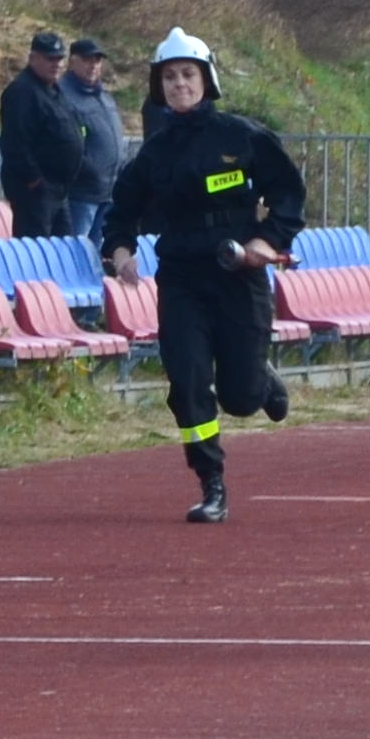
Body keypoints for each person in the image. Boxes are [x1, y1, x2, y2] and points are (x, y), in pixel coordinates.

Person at [99, 29, 307, 524]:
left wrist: (267, 241)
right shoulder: (154, 152)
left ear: (206, 79)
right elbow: (120, 212)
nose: (179, 84)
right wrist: (121, 252)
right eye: (169, 77)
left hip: (239, 276)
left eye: (187, 74)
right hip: (181, 279)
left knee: (240, 397)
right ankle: (211, 482)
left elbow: (288, 192)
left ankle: (260, 381)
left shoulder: (243, 136)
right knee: (188, 381)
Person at [0, 31, 85, 241]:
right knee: (37, 249)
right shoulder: (23, 92)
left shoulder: (53, 90)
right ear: (33, 58)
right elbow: (14, 144)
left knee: (63, 248)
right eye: (50, 59)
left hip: (58, 190)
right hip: (36, 192)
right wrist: (35, 181)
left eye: (60, 59)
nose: (56, 64)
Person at [60, 36, 132, 213]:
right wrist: (90, 172)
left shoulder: (104, 97)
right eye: (87, 60)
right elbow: (65, 144)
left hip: (109, 193)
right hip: (80, 195)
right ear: (72, 62)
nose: (93, 66)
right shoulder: (63, 96)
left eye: (97, 61)